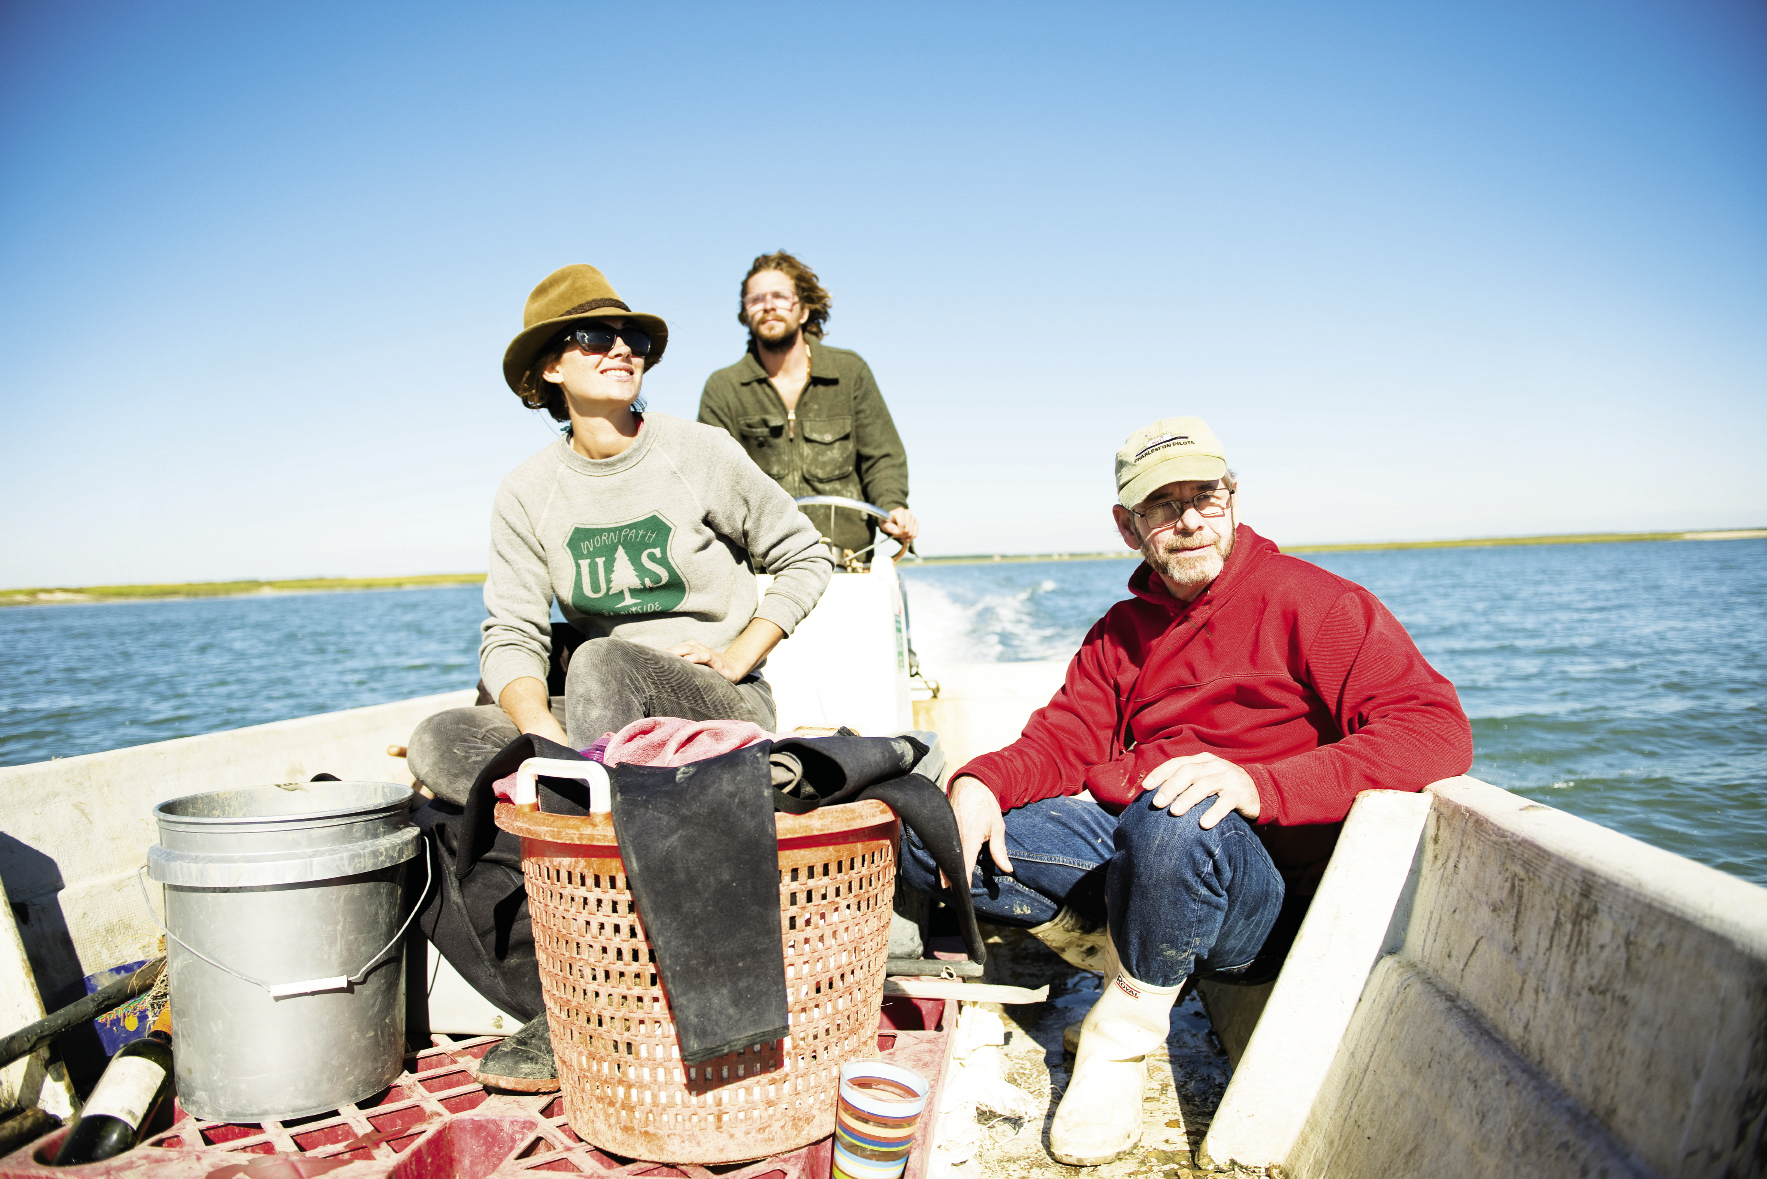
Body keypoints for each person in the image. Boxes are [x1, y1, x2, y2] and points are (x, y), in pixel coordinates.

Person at [898, 416, 1474, 1167]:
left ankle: (1121, 1038)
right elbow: (1063, 740)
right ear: (1127, 525)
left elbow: (1435, 731)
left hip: (1251, 904)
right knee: (925, 829)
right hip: (1139, 855)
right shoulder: (1120, 631)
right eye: (1162, 506)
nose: (1190, 519)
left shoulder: (1318, 603)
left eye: (1204, 495)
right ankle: (1122, 963)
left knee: (1177, 811)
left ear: (1232, 496)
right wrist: (977, 781)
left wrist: (1259, 784)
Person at [407, 262, 833, 808]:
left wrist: (736, 659)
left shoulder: (701, 452)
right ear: (550, 371)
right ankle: (588, 794)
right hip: (595, 711)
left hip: (719, 698)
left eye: (630, 337)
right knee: (441, 738)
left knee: (601, 659)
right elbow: (513, 632)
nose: (620, 348)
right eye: (592, 337)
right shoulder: (525, 491)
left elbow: (806, 555)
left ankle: (589, 812)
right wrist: (543, 738)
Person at [697, 251, 917, 566]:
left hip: (848, 561)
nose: (768, 305)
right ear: (745, 314)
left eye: (780, 296)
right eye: (755, 299)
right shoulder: (724, 388)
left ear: (803, 310)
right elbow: (713, 482)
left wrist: (892, 505)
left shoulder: (849, 372)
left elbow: (882, 458)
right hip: (763, 567)